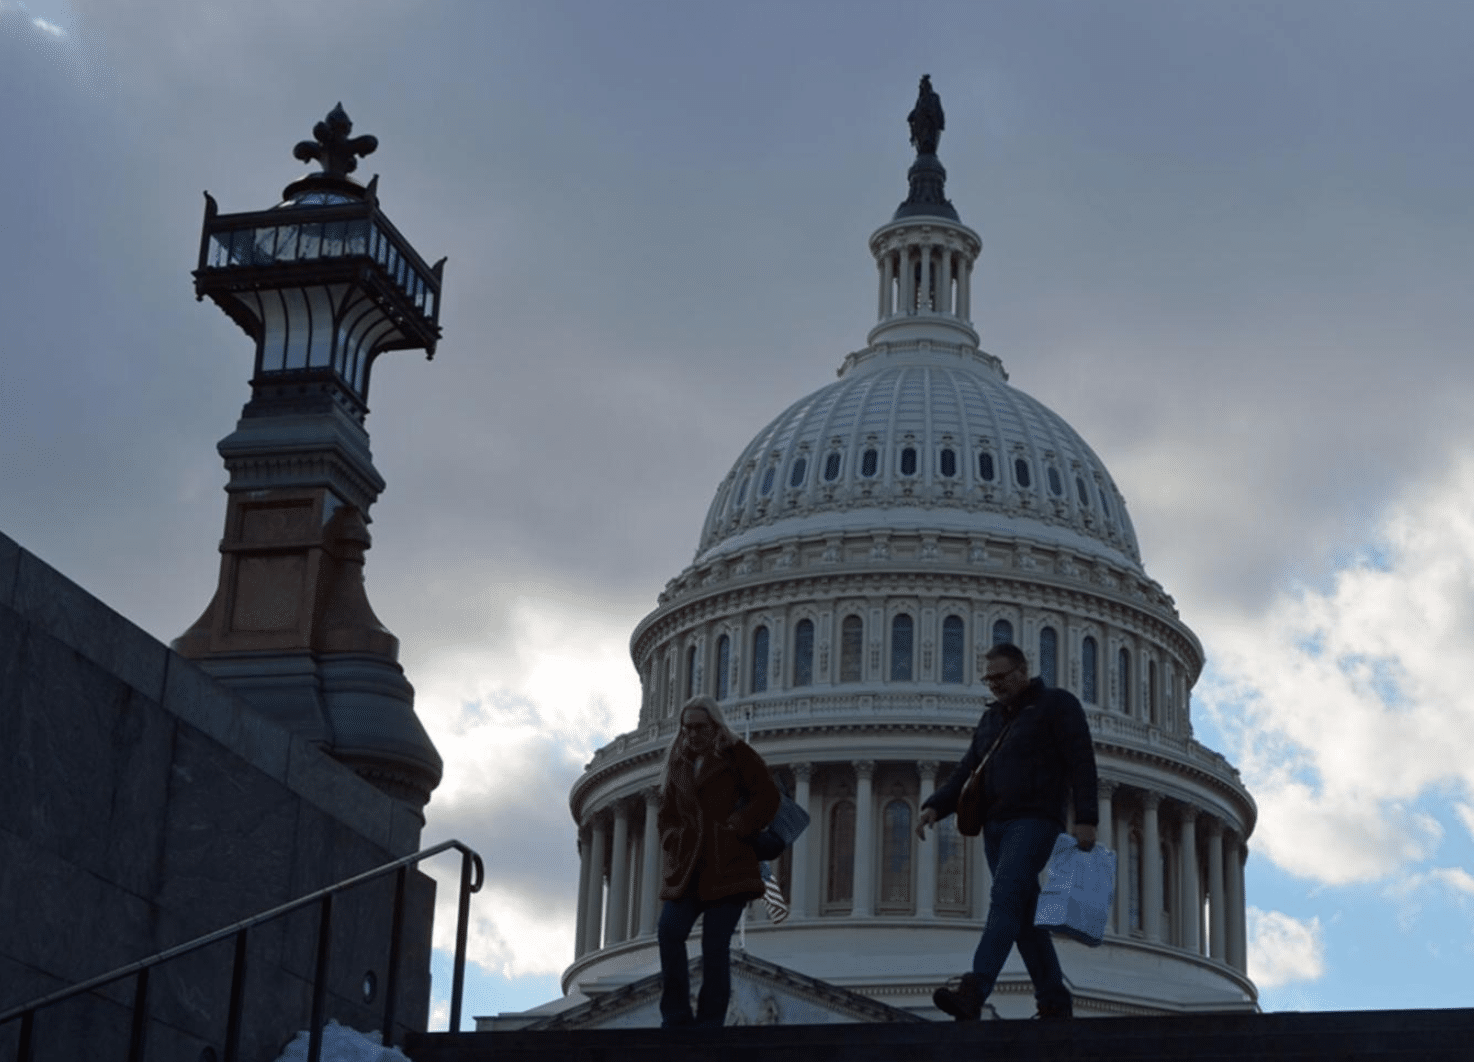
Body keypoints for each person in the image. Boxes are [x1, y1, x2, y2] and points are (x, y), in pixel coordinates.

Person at [916, 642, 1099, 1021]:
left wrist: (1087, 818)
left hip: (1035, 819)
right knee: (1026, 915)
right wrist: (936, 805)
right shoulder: (992, 720)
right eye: (989, 679)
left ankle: (975, 989)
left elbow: (1081, 760)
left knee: (1004, 898)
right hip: (995, 825)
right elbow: (968, 769)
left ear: (1022, 670)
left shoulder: (1056, 705)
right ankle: (1053, 1000)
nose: (995, 685)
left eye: (1001, 677)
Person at [656, 695, 780, 1027]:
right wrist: (673, 839)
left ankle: (710, 1022)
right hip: (690, 868)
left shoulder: (737, 756)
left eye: (699, 728)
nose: (692, 735)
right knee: (669, 932)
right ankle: (676, 1015)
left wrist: (738, 826)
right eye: (687, 728)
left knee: (714, 945)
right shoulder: (678, 764)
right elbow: (667, 815)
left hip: (729, 866)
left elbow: (767, 796)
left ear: (715, 726)